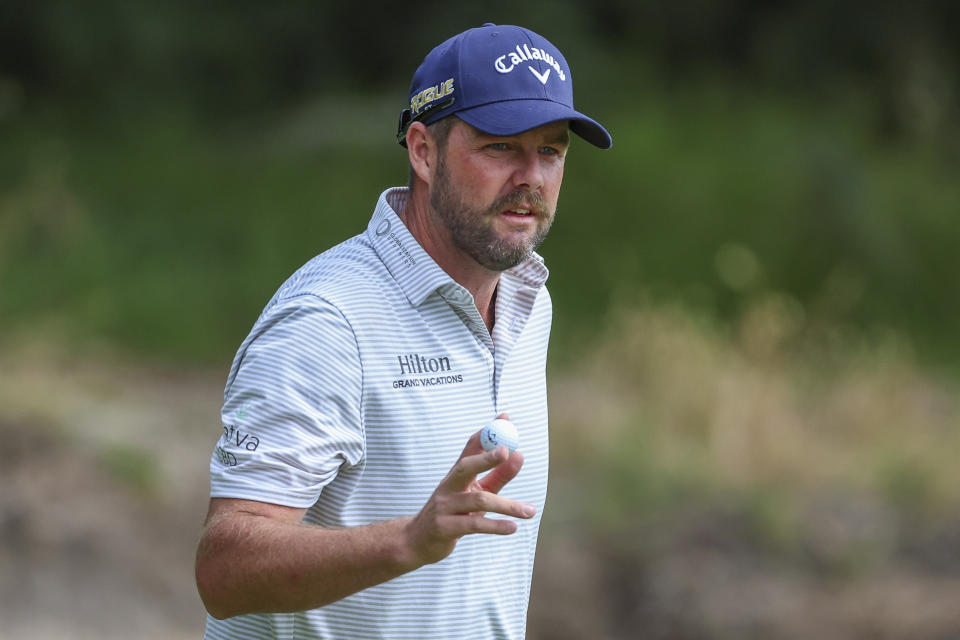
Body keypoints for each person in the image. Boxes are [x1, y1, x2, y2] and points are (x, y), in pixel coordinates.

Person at [195, 22, 612, 639]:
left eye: (550, 150)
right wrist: (409, 540)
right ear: (423, 151)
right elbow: (224, 571)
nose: (532, 177)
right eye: (500, 147)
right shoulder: (327, 320)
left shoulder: (530, 297)